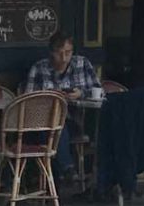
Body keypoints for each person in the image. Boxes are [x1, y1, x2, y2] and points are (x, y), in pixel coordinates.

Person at [24, 30, 98, 182]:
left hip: (76, 120)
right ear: (51, 52)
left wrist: (80, 93)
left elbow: (98, 90)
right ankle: (67, 168)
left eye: (68, 53)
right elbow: (28, 98)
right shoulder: (39, 68)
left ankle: (58, 175)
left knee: (57, 125)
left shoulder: (82, 63)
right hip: (42, 122)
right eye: (60, 53)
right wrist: (50, 96)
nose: (64, 58)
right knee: (54, 123)